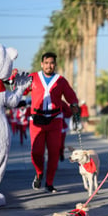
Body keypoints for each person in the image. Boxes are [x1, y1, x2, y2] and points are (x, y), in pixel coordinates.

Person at [26, 52, 79, 193]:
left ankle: (49, 183)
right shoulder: (33, 78)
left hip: (55, 120)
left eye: (52, 63)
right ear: (42, 64)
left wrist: (74, 104)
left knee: (54, 153)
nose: (49, 65)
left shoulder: (60, 80)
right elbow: (23, 90)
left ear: (55, 64)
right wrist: (15, 81)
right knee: (36, 152)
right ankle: (39, 173)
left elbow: (70, 95)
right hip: (36, 120)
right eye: (47, 63)